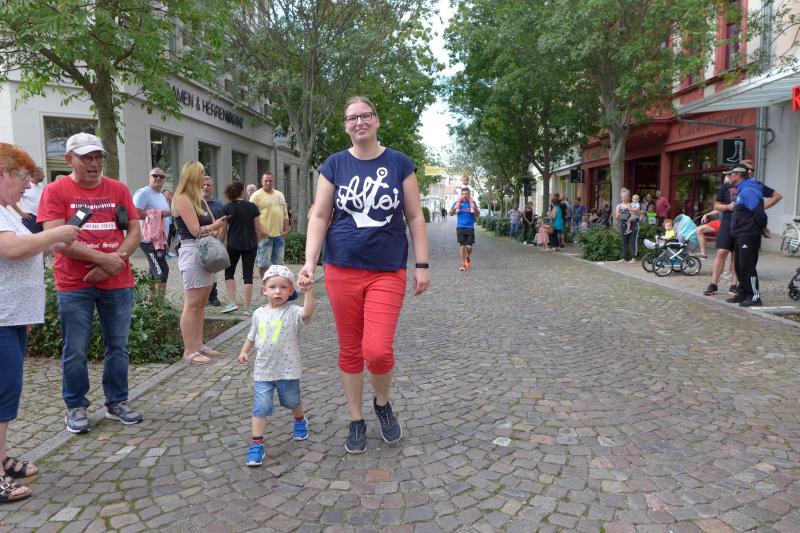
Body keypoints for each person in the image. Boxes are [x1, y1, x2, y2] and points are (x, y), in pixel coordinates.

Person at [298, 95, 430, 454]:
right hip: (341, 268)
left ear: (377, 120)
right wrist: (310, 261)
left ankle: (382, 403)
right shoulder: (334, 164)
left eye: (365, 115)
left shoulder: (400, 163)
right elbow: (320, 215)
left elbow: (414, 216)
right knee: (350, 348)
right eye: (352, 118)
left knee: (378, 350)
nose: (359, 122)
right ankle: (356, 418)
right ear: (346, 125)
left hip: (386, 269)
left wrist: (422, 264)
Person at [38, 133, 144, 433]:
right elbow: (56, 239)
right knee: (75, 348)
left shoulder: (118, 189)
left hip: (117, 280)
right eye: (86, 158)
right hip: (74, 282)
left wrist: (114, 263)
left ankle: (117, 402)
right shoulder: (56, 190)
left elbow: (135, 231)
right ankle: (75, 406)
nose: (94, 163)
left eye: (98, 157)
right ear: (69, 159)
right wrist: (103, 260)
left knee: (118, 346)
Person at [0, 143, 81, 502]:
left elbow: (22, 250)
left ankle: (1, 460)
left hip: (11, 316)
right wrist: (56, 235)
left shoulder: (6, 211)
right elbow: (12, 249)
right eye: (23, 177)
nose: (28, 185)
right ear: (1, 173)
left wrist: (46, 246)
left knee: (7, 392)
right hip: (3, 318)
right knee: (2, 393)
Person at [237, 265, 314, 466]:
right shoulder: (258, 314)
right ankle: (257, 444)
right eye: (272, 287)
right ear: (264, 290)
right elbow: (252, 336)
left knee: (292, 401)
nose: (277, 291)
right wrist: (244, 351)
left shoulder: (293, 312)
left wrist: (308, 291)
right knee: (261, 406)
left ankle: (300, 420)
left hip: (288, 370)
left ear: (291, 291)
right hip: (263, 371)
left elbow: (307, 312)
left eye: (283, 287)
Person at [172, 161, 228, 364]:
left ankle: (198, 344)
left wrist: (214, 226)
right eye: (201, 174)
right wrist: (216, 225)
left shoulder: (198, 199)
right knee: (192, 303)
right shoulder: (182, 198)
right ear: (193, 175)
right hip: (192, 250)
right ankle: (189, 350)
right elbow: (196, 230)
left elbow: (208, 226)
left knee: (202, 303)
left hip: (204, 250)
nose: (204, 178)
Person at [726, 165, 782, 307]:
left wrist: (762, 228)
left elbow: (759, 213)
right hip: (740, 233)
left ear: (738, 175)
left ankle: (754, 296)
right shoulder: (743, 189)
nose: (727, 177)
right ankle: (742, 293)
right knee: (739, 266)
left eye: (729, 174)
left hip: (748, 233)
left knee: (747, 265)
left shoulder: (748, 191)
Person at [221, 181, 261, 314]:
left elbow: (223, 230)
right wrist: (257, 242)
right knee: (248, 275)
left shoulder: (226, 208)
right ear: (242, 192)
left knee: (229, 272)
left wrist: (221, 243)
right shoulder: (252, 207)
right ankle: (247, 308)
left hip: (232, 244)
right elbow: (258, 228)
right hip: (250, 244)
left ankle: (232, 303)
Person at [133, 168, 171, 295]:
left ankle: (151, 301)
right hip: (148, 240)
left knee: (153, 271)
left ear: (164, 180)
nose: (158, 178)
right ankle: (160, 304)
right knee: (162, 270)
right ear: (149, 178)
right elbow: (134, 212)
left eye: (161, 176)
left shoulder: (160, 196)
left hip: (159, 241)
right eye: (155, 175)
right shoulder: (143, 193)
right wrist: (159, 213)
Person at [251, 173, 290, 281]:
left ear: (273, 181)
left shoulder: (280, 195)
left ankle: (276, 284)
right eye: (266, 181)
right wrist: (258, 231)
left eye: (270, 180)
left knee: (279, 264)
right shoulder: (256, 196)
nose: (268, 183)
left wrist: (286, 228)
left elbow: (285, 213)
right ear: (261, 182)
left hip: (279, 235)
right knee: (264, 264)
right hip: (264, 236)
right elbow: (251, 216)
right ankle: (265, 285)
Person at [203, 177, 225, 306]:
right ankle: (202, 296)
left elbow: (223, 224)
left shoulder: (219, 205)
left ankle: (213, 296)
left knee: (213, 269)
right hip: (197, 240)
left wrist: (221, 239)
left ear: (213, 188)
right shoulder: (195, 203)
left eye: (208, 185)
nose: (205, 187)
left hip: (213, 241)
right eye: (203, 185)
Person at [450, 187, 480, 270]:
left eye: (466, 194)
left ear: (469, 194)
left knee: (469, 247)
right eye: (463, 194)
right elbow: (450, 214)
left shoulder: (472, 203)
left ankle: (467, 257)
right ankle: (463, 264)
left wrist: (474, 208)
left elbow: (478, 214)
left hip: (470, 227)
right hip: (460, 227)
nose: (464, 195)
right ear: (461, 195)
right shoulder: (457, 203)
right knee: (462, 246)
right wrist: (455, 208)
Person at [14, 166, 45, 234]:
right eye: (42, 174)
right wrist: (20, 213)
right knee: (31, 239)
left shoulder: (41, 186)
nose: (44, 176)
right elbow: (11, 200)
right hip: (30, 219)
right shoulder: (26, 186)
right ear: (36, 174)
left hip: (41, 218)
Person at [613, 188, 640, 263]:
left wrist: (632, 210)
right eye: (622, 197)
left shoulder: (632, 205)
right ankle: (624, 258)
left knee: (633, 241)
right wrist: (619, 214)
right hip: (623, 224)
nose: (623, 198)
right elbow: (617, 218)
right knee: (624, 241)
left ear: (628, 197)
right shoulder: (618, 206)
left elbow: (638, 214)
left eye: (625, 197)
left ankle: (633, 258)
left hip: (633, 224)